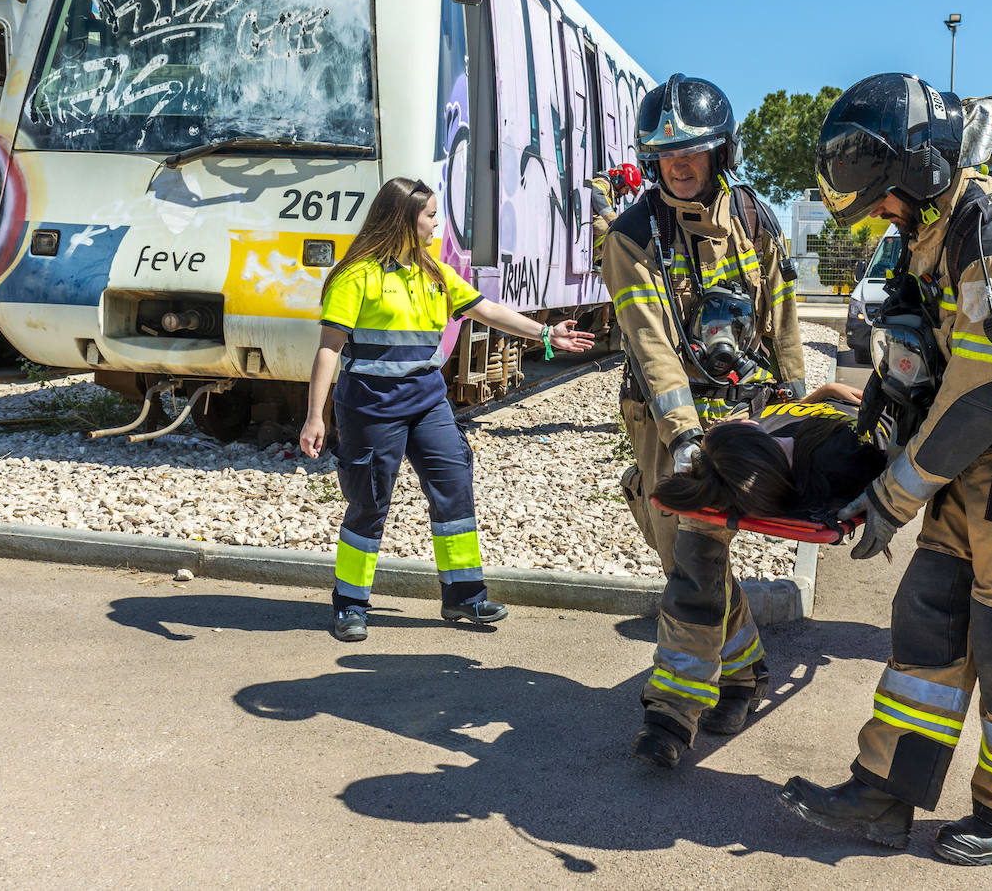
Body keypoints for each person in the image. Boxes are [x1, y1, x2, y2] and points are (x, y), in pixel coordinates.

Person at [780, 74, 992, 866]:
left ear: (921, 169)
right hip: (981, 466)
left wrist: (892, 496)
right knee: (928, 613)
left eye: (883, 199)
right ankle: (884, 788)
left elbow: (985, 394)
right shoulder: (937, 229)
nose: (880, 215)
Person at [599, 73, 806, 766]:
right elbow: (651, 343)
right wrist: (685, 434)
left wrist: (797, 403)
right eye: (665, 154)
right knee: (685, 558)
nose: (678, 165)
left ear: (722, 152)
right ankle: (744, 671)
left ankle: (672, 715)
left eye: (692, 151)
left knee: (696, 560)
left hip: (741, 411)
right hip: (666, 420)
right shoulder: (633, 237)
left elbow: (781, 315)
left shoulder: (754, 218)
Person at [299, 177, 593, 641]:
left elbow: (486, 310)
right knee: (369, 503)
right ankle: (350, 604)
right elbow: (329, 349)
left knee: (453, 485)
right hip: (372, 407)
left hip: (427, 402)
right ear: (404, 218)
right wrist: (315, 415)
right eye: (431, 215)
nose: (438, 223)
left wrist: (544, 333)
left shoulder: (433, 272)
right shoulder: (356, 275)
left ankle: (464, 595)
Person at [652, 382, 886, 520]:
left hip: (838, 397)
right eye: (721, 426)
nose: (719, 420)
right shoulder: (837, 459)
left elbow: (798, 410)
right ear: (747, 438)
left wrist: (826, 391)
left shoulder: (766, 439)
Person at [588, 164, 643, 266]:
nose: (626, 193)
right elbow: (596, 193)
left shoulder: (612, 191)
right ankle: (597, 258)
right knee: (606, 227)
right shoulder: (603, 182)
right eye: (628, 188)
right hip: (587, 226)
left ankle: (602, 260)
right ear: (620, 180)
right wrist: (614, 221)